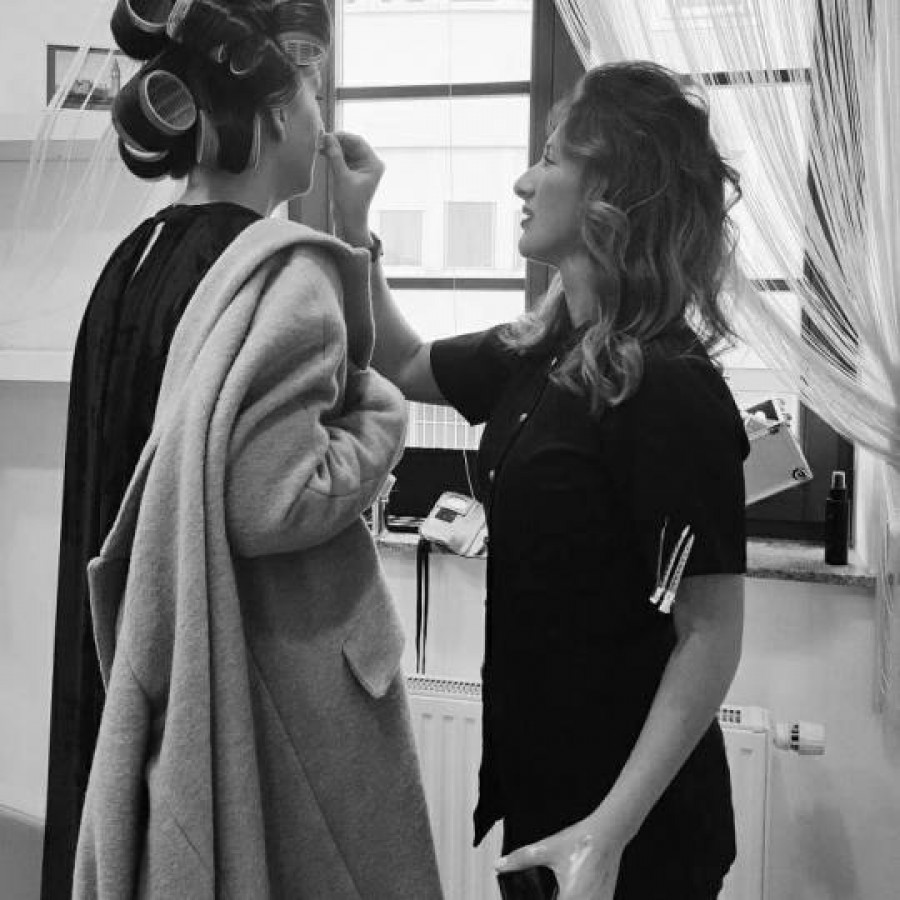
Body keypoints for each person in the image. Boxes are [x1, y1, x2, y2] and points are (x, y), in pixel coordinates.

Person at [41, 1, 443, 897]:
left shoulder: (133, 261)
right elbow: (280, 497)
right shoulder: (277, 271)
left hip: (132, 656)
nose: (322, 118)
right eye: (312, 96)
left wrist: (350, 229)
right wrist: (381, 414)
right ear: (271, 117)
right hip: (245, 679)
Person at [321, 61, 749, 900]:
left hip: (634, 833)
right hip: (548, 801)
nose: (523, 181)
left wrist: (608, 833)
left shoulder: (669, 385)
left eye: (550, 159)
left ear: (610, 191)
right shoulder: (543, 352)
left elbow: (710, 635)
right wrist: (355, 223)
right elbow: (404, 361)